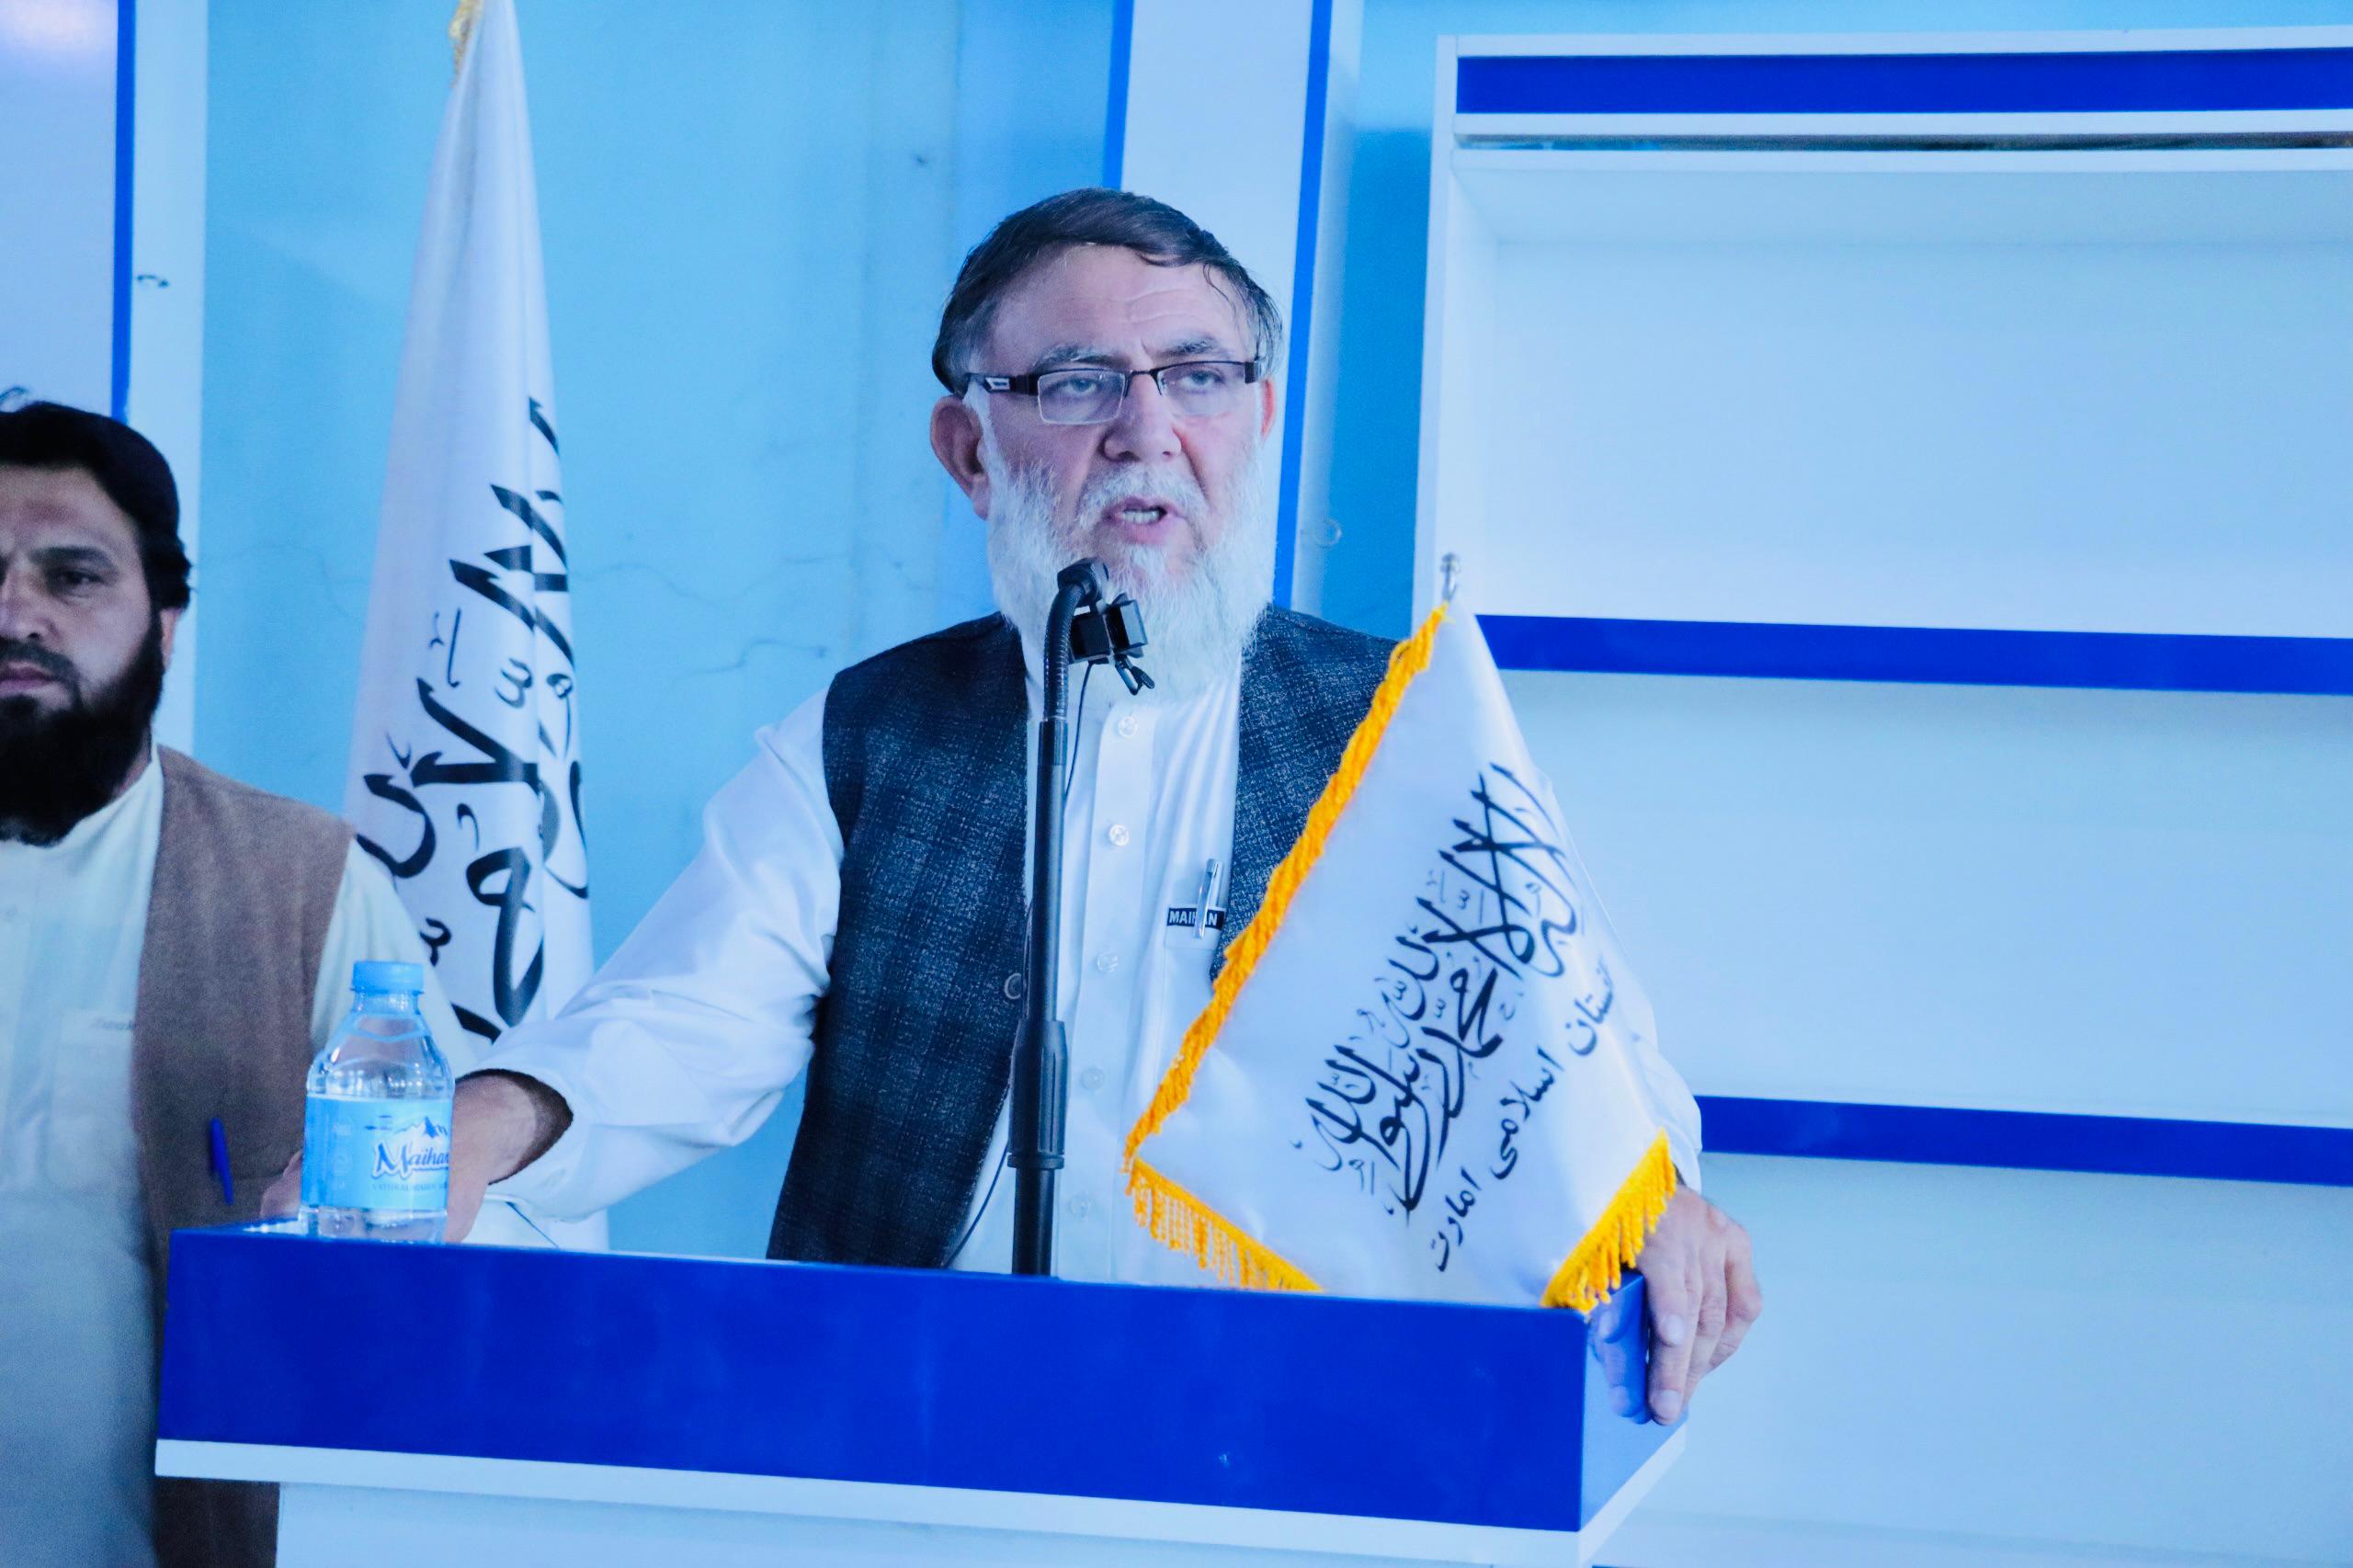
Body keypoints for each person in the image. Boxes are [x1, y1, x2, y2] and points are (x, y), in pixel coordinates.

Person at [326, 190, 1759, 1418]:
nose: (1147, 429)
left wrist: (1661, 1201)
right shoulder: (867, 734)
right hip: (906, 1425)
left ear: (1258, 417)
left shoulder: (1406, 729)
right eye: (1079, 382)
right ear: (968, 449)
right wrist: (494, 1118)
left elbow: (1580, 1048)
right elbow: (688, 1024)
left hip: (1296, 1428)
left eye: (1198, 376)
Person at [0, 402, 472, 1568]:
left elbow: (439, 1232)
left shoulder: (298, 885)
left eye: (71, 576)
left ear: (164, 624)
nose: (14, 613)